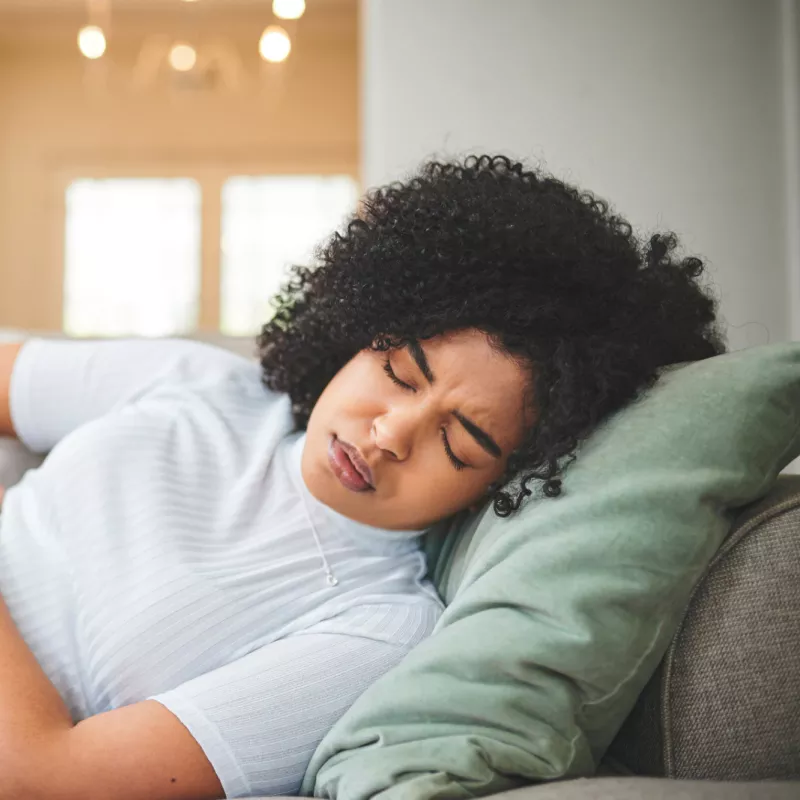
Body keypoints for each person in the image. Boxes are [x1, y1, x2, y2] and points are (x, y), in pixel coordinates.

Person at [0, 154, 724, 800]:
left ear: (514, 481)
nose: (388, 435)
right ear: (361, 325)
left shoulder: (376, 632)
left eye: (462, 443)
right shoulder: (202, 385)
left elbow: (43, 779)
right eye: (399, 371)